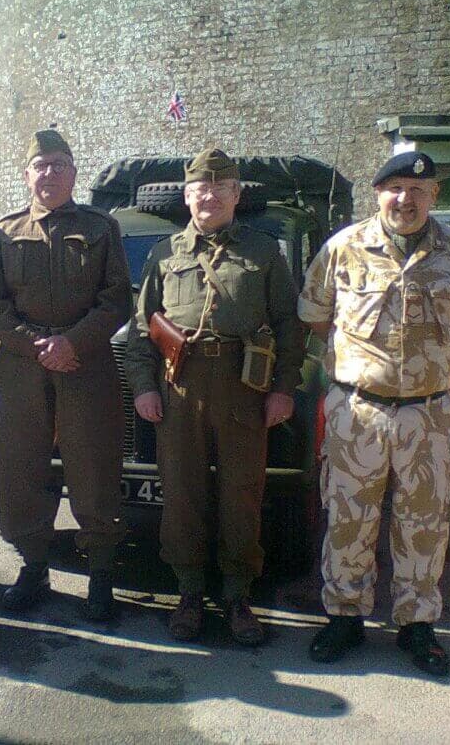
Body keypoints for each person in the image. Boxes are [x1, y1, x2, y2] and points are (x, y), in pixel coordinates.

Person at [298, 151, 450, 676]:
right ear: (377, 193)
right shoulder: (344, 249)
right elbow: (316, 316)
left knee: (426, 521)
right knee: (347, 516)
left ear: (434, 197)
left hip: (429, 414)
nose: (404, 199)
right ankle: (344, 617)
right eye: (394, 188)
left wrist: (429, 365)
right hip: (357, 411)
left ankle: (417, 624)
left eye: (417, 190)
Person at [125, 147, 304, 646]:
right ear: (186, 196)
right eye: (200, 188)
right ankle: (187, 593)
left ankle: (238, 596)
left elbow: (290, 328)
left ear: (235, 195)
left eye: (220, 188)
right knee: (181, 496)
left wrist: (283, 391)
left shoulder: (264, 252)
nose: (209, 196)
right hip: (180, 388)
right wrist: (143, 389)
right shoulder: (165, 255)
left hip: (243, 389)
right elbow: (142, 332)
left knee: (241, 497)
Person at [0, 129, 131, 620]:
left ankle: (101, 575)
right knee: (21, 469)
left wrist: (72, 342)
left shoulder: (102, 227)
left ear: (74, 173)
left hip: (86, 363)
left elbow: (117, 301)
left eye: (60, 164)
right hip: (23, 367)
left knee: (95, 467)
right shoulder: (4, 231)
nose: (50, 173)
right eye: (41, 164)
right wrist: (36, 346)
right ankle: (34, 565)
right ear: (27, 175)